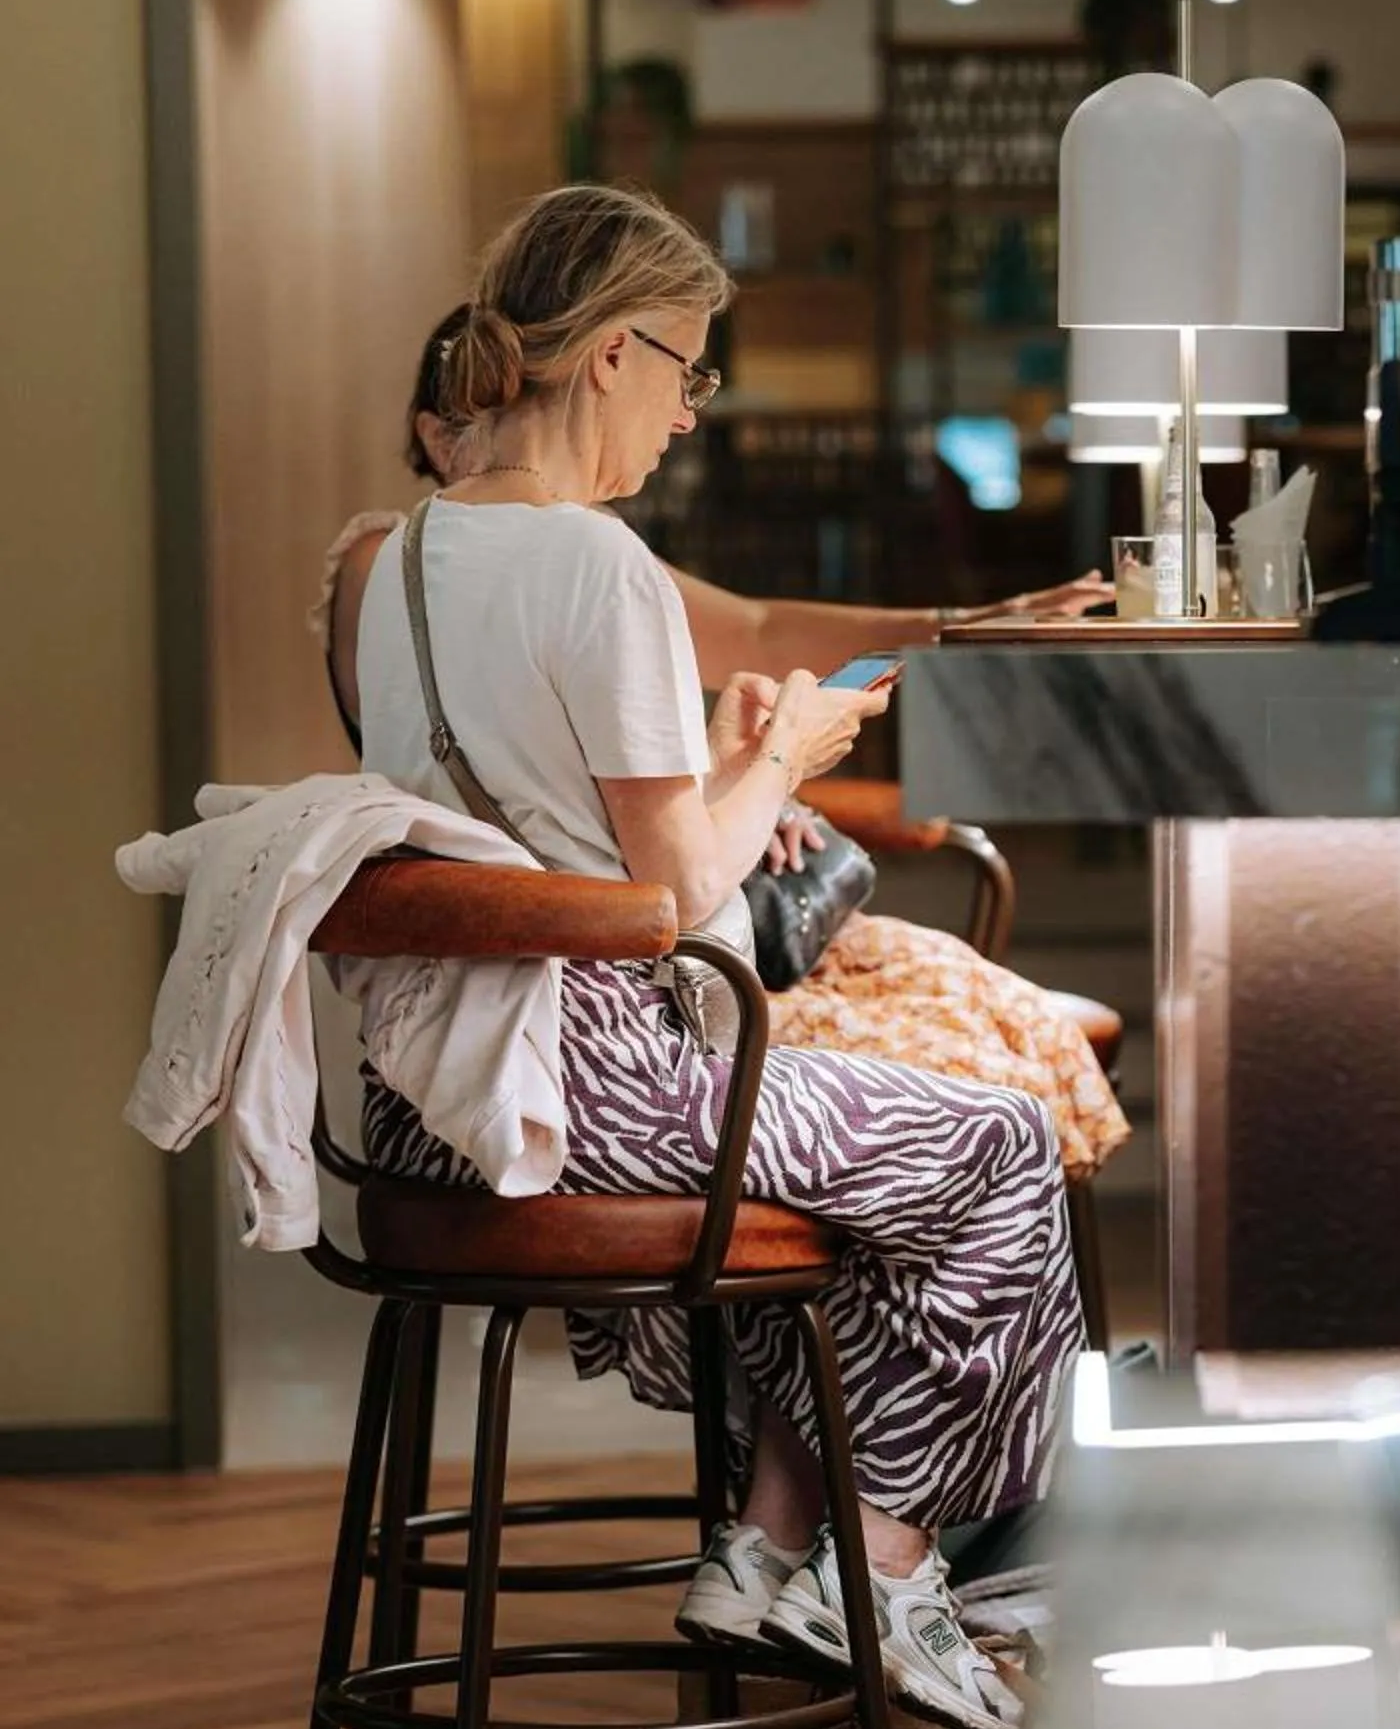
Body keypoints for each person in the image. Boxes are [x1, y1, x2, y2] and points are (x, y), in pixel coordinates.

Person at [353, 183, 1078, 1729]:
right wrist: (799, 745)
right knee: (1001, 1147)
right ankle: (881, 1573)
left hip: (431, 1090)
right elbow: (674, 895)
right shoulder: (595, 560)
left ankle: (765, 1549)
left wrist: (737, 770)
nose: (690, 414)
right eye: (689, 369)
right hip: (589, 1083)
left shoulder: (401, 562)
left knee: (859, 1174)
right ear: (612, 354)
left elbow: (562, 830)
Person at [315, 308, 1128, 1182]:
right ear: (437, 432)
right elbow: (536, 820)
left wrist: (731, 778)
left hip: (621, 954)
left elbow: (748, 634)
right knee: (987, 1088)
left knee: (965, 995)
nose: (681, 417)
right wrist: (762, 779)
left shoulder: (562, 551)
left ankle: (834, 1305)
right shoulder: (426, 560)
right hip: (586, 988)